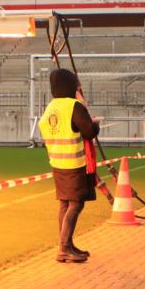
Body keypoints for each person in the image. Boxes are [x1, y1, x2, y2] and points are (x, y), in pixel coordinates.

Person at [39, 68, 99, 263]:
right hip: (74, 162)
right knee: (76, 203)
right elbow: (89, 131)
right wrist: (95, 123)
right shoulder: (73, 106)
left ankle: (67, 244)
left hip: (57, 161)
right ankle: (64, 248)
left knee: (65, 203)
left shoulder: (51, 107)